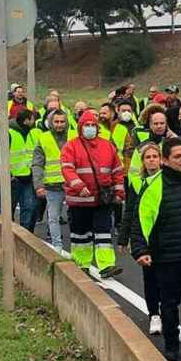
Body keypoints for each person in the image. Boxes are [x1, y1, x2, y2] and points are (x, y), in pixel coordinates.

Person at [130, 137, 181, 361]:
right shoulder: (153, 185)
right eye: (178, 156)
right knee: (169, 302)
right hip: (167, 256)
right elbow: (141, 219)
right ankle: (171, 342)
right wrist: (139, 250)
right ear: (165, 160)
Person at [61, 110, 126, 279]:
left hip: (102, 199)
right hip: (80, 200)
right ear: (80, 127)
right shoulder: (71, 146)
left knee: (104, 232)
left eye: (92, 125)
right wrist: (79, 186)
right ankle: (81, 264)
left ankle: (106, 265)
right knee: (80, 234)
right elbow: (67, 169)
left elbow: (117, 170)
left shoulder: (107, 146)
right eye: (86, 125)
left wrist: (119, 191)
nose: (90, 128)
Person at [118, 141, 164, 335]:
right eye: (148, 157)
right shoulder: (139, 184)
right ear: (143, 162)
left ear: (161, 160)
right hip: (147, 239)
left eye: (155, 156)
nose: (152, 160)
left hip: (167, 238)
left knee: (168, 280)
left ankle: (168, 313)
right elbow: (130, 212)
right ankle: (154, 314)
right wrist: (123, 238)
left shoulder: (168, 181)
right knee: (150, 278)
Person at [33, 110, 76, 251]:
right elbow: (37, 163)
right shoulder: (43, 138)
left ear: (66, 122)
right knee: (53, 217)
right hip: (52, 185)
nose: (59, 124)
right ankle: (57, 246)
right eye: (56, 121)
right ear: (51, 122)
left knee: (77, 216)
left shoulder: (74, 136)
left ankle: (78, 244)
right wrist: (38, 185)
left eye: (62, 121)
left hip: (73, 184)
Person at [10, 110, 39, 232]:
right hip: (13, 178)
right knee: (8, 208)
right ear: (26, 121)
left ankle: (25, 235)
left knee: (29, 207)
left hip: (28, 177)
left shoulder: (33, 133)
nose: (34, 122)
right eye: (32, 119)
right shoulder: (9, 133)